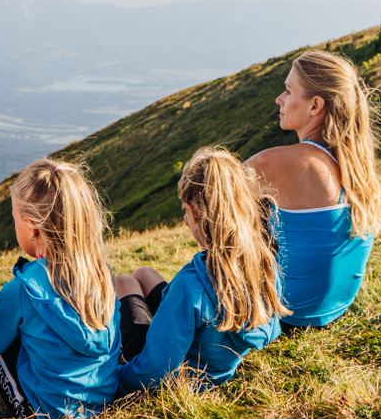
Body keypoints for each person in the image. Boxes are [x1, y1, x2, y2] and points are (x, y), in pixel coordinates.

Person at [0, 159, 119, 419]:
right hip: (100, 404)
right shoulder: (101, 275)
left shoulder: (26, 287)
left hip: (45, 417)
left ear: (32, 227)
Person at [115, 147, 286, 394]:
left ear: (197, 213)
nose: (185, 220)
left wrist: (116, 377)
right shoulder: (262, 259)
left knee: (124, 283)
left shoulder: (190, 285)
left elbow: (153, 371)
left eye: (186, 211)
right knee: (144, 274)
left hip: (187, 372)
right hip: (217, 348)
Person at [246, 49, 381, 329]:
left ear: (314, 105)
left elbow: (205, 195)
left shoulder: (288, 162)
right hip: (333, 306)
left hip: (290, 311)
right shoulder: (354, 164)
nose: (279, 99)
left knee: (141, 284)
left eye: (288, 91)